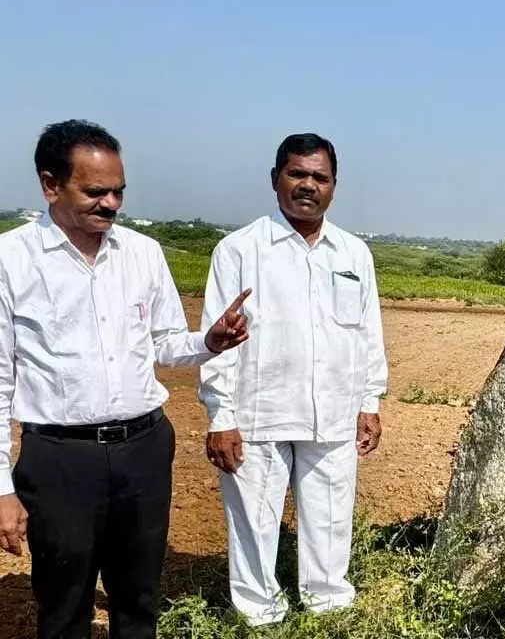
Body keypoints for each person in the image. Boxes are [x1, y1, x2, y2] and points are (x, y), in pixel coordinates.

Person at [0, 120, 251, 638]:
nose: (111, 203)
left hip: (143, 448)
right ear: (50, 184)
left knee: (138, 598)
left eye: (118, 191)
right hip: (60, 460)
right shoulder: (11, 261)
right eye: (95, 191)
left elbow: (164, 343)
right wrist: (1, 488)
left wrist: (209, 341)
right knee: (64, 604)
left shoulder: (142, 253)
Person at [198, 132, 387, 626]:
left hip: (335, 410)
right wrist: (221, 414)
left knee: (330, 516)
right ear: (275, 179)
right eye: (297, 174)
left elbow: (368, 332)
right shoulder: (239, 250)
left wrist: (370, 401)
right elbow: (217, 339)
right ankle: (259, 615)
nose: (308, 185)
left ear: (334, 186)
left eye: (319, 177)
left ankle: (328, 610)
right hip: (260, 410)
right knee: (255, 522)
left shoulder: (352, 254)